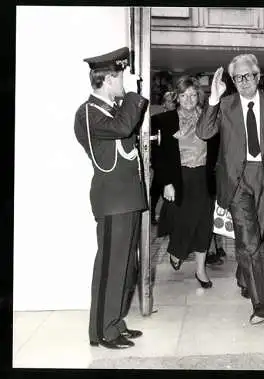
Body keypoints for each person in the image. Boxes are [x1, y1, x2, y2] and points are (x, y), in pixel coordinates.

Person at [196, 54, 264, 325]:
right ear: (232, 81)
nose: (243, 82)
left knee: (252, 238)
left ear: (257, 76)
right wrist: (213, 99)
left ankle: (244, 276)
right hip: (236, 180)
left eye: (247, 76)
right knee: (250, 240)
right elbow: (204, 133)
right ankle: (260, 306)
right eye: (237, 78)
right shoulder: (225, 105)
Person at [74, 47, 148, 349]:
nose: (124, 83)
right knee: (111, 266)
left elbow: (124, 126)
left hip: (127, 198)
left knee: (126, 266)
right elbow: (123, 127)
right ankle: (102, 331)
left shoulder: (112, 110)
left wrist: (127, 99)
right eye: (120, 77)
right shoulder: (88, 113)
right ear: (108, 79)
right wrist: (132, 95)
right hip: (112, 200)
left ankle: (115, 322)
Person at [154, 76, 217, 288]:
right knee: (182, 221)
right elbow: (158, 157)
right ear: (177, 97)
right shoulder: (164, 120)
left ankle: (200, 270)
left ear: (198, 96)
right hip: (179, 177)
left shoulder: (209, 118)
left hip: (204, 177)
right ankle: (177, 250)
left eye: (192, 94)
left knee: (203, 224)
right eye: (184, 95)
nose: (189, 99)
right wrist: (166, 183)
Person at [150, 90, 177, 225]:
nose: (172, 104)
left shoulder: (181, 118)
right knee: (156, 188)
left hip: (175, 158)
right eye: (169, 101)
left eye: (174, 101)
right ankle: (152, 215)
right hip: (160, 158)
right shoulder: (156, 119)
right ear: (164, 104)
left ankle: (169, 219)